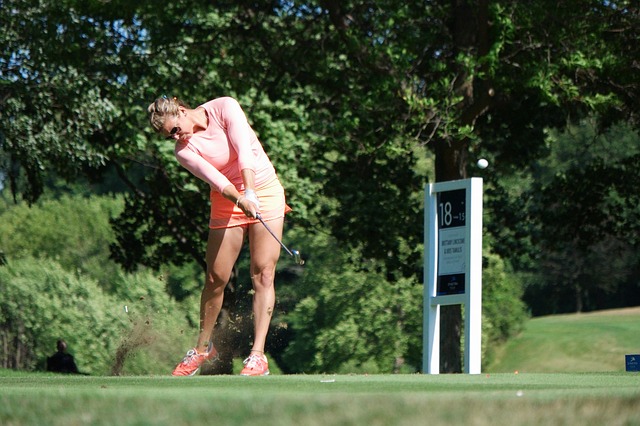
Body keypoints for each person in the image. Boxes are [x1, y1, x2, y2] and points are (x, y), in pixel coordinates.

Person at [147, 95, 291, 376]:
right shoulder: (183, 151)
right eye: (169, 136)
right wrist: (241, 200)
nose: (176, 137)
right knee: (215, 279)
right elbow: (218, 180)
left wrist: (250, 192)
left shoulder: (225, 106)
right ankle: (202, 348)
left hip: (264, 189)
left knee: (263, 273)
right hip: (228, 201)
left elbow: (244, 150)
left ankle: (258, 356)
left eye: (174, 129)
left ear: (181, 110)